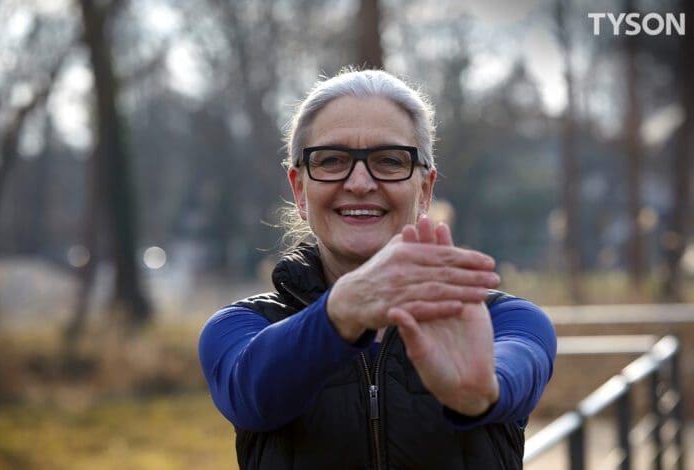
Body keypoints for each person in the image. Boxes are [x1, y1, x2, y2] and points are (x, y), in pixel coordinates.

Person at [198, 68, 556, 469]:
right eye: (331, 160)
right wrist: (342, 312)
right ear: (299, 189)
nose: (360, 182)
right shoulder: (241, 327)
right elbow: (252, 394)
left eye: (388, 160)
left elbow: (515, 370)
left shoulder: (504, 320)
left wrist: (479, 393)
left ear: (425, 189)